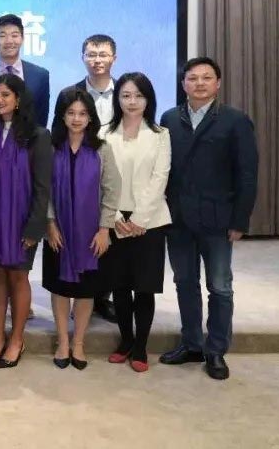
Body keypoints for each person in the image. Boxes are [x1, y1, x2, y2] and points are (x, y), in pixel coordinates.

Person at [159, 57, 258, 380]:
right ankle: (191, 343)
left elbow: (247, 175)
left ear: (218, 83)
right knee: (185, 283)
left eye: (206, 78)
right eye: (192, 78)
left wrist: (240, 220)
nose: (199, 83)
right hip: (178, 219)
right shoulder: (170, 118)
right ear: (183, 84)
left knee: (220, 287)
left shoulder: (235, 120)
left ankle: (216, 350)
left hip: (218, 220)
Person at [42, 87, 120, 371]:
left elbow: (112, 190)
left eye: (83, 113)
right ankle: (63, 342)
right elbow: (44, 190)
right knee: (61, 289)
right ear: (62, 116)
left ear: (90, 117)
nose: (77, 119)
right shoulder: (51, 148)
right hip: (58, 232)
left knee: (87, 290)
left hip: (91, 234)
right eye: (71, 113)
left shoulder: (102, 149)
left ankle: (78, 343)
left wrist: (104, 229)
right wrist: (50, 224)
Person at [102, 72, 171, 373]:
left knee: (144, 287)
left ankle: (141, 346)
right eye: (126, 95)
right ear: (117, 98)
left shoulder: (160, 134)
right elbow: (101, 179)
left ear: (148, 99)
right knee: (119, 286)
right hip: (114, 218)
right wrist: (116, 216)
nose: (132, 101)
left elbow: (160, 177)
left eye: (139, 96)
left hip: (150, 222)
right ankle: (126, 341)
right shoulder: (104, 133)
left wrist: (140, 218)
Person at [0, 73, 52, 369]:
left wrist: (35, 226)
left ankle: (17, 339)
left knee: (18, 277)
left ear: (19, 99)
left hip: (23, 220)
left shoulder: (38, 135)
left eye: (5, 95)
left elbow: (43, 186)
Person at [72, 34, 118, 322]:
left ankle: (103, 297)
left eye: (103, 54)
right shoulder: (73, 93)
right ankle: (81, 294)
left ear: (114, 57)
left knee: (108, 235)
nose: (97, 60)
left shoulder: (126, 91)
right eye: (91, 54)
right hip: (80, 172)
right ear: (83, 57)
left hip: (117, 169)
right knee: (82, 233)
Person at [0, 14, 51, 126]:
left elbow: (41, 117)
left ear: (22, 39)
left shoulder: (40, 75)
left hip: (27, 136)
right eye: (2, 35)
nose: (9, 41)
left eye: (14, 35)